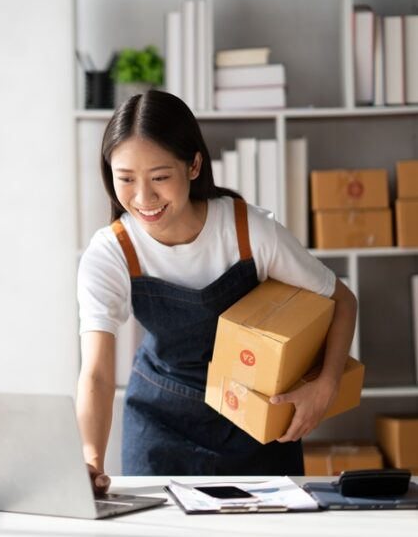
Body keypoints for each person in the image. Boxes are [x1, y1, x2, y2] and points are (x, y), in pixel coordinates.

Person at [75, 90, 357, 493]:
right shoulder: (111, 252)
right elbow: (98, 374)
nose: (143, 198)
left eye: (159, 177)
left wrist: (325, 386)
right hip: (160, 423)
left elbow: (342, 300)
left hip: (256, 426)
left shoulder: (248, 233)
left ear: (193, 165)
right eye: (126, 179)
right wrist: (90, 459)